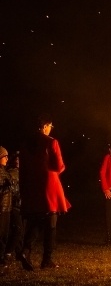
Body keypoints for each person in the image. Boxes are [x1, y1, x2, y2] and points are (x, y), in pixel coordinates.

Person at [20, 115, 71, 269]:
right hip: (49, 185)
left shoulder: (26, 143)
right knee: (51, 223)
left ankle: (25, 251)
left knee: (36, 220)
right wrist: (61, 168)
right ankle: (47, 259)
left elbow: (23, 169)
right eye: (50, 126)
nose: (50, 129)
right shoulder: (51, 142)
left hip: (33, 186)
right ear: (45, 126)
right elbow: (58, 166)